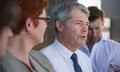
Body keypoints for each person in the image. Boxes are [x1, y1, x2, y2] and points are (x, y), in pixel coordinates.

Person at [0, 0, 54, 72]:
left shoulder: (42, 58)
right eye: (45, 19)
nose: (46, 25)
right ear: (29, 24)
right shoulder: (3, 65)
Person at [40, 2, 93, 72]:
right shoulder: (43, 59)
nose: (85, 29)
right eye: (79, 23)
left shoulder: (85, 59)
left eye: (86, 24)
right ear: (60, 26)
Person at [80, 6, 120, 72]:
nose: (94, 34)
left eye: (97, 28)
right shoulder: (74, 47)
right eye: (90, 29)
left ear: (103, 24)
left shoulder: (116, 49)